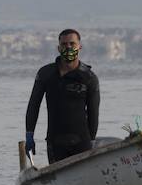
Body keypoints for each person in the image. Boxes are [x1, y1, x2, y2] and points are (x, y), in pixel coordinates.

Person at [24, 28, 100, 163]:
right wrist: (30, 134)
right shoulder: (46, 74)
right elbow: (34, 105)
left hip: (81, 142)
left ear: (79, 47)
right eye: (64, 44)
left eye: (72, 44)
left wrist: (92, 141)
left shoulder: (88, 77)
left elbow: (93, 112)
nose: (68, 47)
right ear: (58, 48)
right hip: (55, 142)